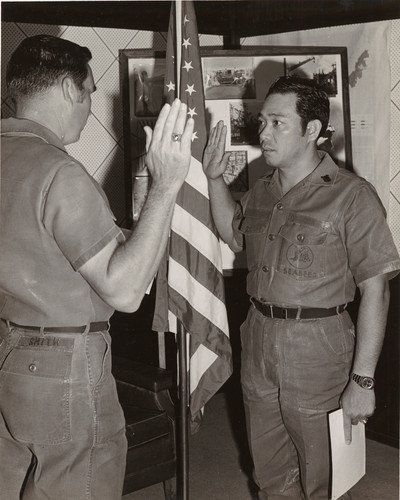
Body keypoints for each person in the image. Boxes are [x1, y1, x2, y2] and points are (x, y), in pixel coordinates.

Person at [0, 35, 193, 500]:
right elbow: (125, 292)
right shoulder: (59, 172)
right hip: (66, 366)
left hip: (10, 355)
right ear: (68, 88)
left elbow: (64, 256)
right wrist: (168, 186)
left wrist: (145, 192)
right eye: (87, 92)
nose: (88, 109)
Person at [202, 76, 400, 500]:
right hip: (258, 336)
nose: (264, 132)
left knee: (326, 476)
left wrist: (362, 381)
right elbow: (233, 234)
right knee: (269, 471)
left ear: (312, 131)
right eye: (263, 121)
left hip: (318, 347)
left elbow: (376, 291)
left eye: (278, 122)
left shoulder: (351, 196)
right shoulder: (261, 190)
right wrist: (215, 179)